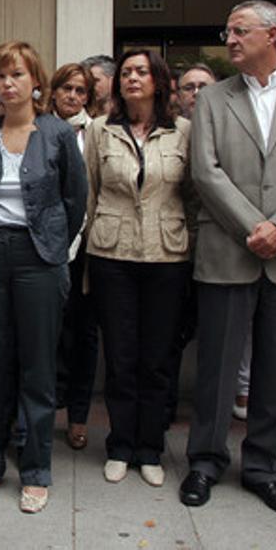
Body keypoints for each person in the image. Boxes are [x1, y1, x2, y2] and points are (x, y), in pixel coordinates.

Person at [179, 0, 276, 518]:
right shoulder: (213, 99)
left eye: (240, 31)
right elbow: (206, 171)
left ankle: (264, 468)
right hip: (230, 247)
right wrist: (255, 227)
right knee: (218, 367)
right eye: (227, 31)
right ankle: (204, 461)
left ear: (272, 35)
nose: (230, 39)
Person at [0, 41, 88, 514]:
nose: (7, 83)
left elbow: (75, 200)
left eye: (17, 74)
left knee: (37, 366)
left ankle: (35, 469)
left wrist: (54, 246)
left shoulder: (57, 134)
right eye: (0, 76)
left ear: (37, 82)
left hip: (41, 257)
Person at [84, 49, 192, 489]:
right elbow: (89, 193)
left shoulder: (183, 131)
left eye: (141, 72)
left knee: (157, 359)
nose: (131, 78)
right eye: (126, 72)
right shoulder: (99, 130)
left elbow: (195, 195)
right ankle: (120, 444)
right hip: (113, 255)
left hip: (167, 256)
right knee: (122, 356)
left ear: (158, 81)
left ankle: (150, 447)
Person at [47, 62, 98, 451]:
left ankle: (78, 416)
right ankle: (40, 410)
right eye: (66, 88)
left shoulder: (96, 132)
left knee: (83, 335)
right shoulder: (37, 129)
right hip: (45, 248)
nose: (73, 97)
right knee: (43, 334)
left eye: (81, 91)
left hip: (86, 249)